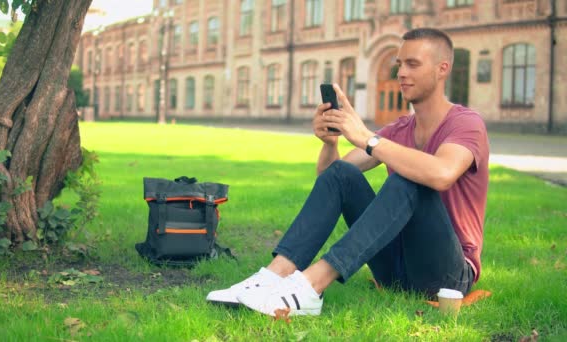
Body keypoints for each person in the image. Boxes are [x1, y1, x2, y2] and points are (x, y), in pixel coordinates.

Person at [206, 27, 489, 317]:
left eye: (412, 64)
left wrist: (369, 139)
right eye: (399, 64)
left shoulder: (467, 124)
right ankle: (273, 277)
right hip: (393, 270)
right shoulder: (399, 129)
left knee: (409, 180)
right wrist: (330, 144)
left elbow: (442, 173)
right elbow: (331, 181)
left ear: (443, 69)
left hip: (447, 277)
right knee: (343, 173)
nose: (401, 73)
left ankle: (310, 286)